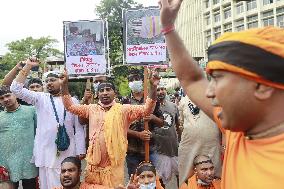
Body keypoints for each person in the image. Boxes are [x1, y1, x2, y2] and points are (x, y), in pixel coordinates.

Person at [159, 0, 284, 188]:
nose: (209, 92)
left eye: (218, 79)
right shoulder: (239, 130)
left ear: (261, 86)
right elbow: (192, 80)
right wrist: (168, 28)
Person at [60, 69, 160, 188]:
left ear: (115, 93)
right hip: (93, 169)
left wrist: (153, 87)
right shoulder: (91, 109)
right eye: (101, 90)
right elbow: (70, 106)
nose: (105, 92)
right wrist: (64, 84)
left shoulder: (124, 110)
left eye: (108, 89)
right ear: (97, 94)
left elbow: (146, 109)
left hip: (114, 169)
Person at [10, 58, 86, 189]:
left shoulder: (72, 100)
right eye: (47, 81)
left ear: (61, 80)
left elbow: (79, 128)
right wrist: (28, 66)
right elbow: (15, 89)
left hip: (67, 151)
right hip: (45, 151)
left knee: (67, 182)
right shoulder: (40, 98)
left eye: (52, 80)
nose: (49, 83)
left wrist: (80, 149)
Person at [125, 70, 163, 176]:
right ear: (128, 83)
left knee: (156, 180)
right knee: (136, 181)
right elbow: (119, 128)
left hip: (151, 149)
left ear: (142, 81)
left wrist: (153, 118)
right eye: (131, 80)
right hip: (133, 152)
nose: (134, 82)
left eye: (137, 79)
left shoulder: (152, 100)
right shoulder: (124, 102)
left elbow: (162, 123)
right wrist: (138, 134)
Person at [178, 95, 221, 186]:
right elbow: (181, 124)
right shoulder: (183, 101)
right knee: (186, 177)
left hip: (211, 145)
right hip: (188, 147)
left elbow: (223, 124)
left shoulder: (214, 98)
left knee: (212, 176)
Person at [0, 85, 38, 189]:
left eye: (8, 96)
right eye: (2, 98)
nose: (5, 99)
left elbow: (39, 133)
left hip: (29, 161)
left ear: (15, 95)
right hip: (6, 163)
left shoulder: (31, 111)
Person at [152, 83, 180, 186]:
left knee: (180, 175)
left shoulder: (173, 106)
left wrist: (179, 141)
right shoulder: (151, 107)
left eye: (162, 89)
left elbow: (177, 125)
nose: (160, 92)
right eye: (158, 90)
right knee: (160, 179)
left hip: (174, 148)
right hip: (159, 150)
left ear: (166, 90)